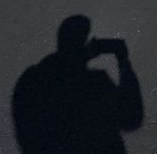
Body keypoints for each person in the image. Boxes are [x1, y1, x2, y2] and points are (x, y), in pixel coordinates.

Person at [12, 15, 143, 154]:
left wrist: (82, 55)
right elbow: (131, 119)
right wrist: (123, 62)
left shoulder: (30, 82)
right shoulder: (96, 85)